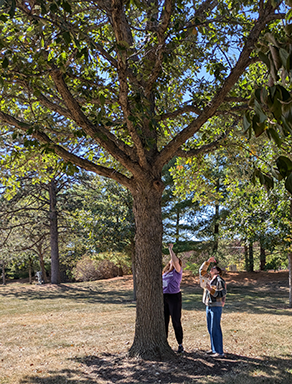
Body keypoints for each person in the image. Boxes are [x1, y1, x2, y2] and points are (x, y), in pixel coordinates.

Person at [199, 256, 227, 358]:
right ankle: (214, 349)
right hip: (209, 305)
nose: (212, 268)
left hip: (216, 306)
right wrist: (207, 262)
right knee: (210, 328)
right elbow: (201, 271)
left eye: (214, 267)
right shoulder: (210, 278)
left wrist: (211, 289)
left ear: (218, 272)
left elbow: (222, 293)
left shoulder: (219, 280)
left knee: (215, 328)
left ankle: (219, 351)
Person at [163, 243, 184, 353]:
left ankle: (180, 344)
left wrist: (170, 249)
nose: (171, 261)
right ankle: (164, 343)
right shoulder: (165, 273)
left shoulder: (177, 272)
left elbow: (175, 261)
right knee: (164, 321)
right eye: (170, 260)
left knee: (176, 321)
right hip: (164, 297)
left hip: (174, 297)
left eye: (174, 260)